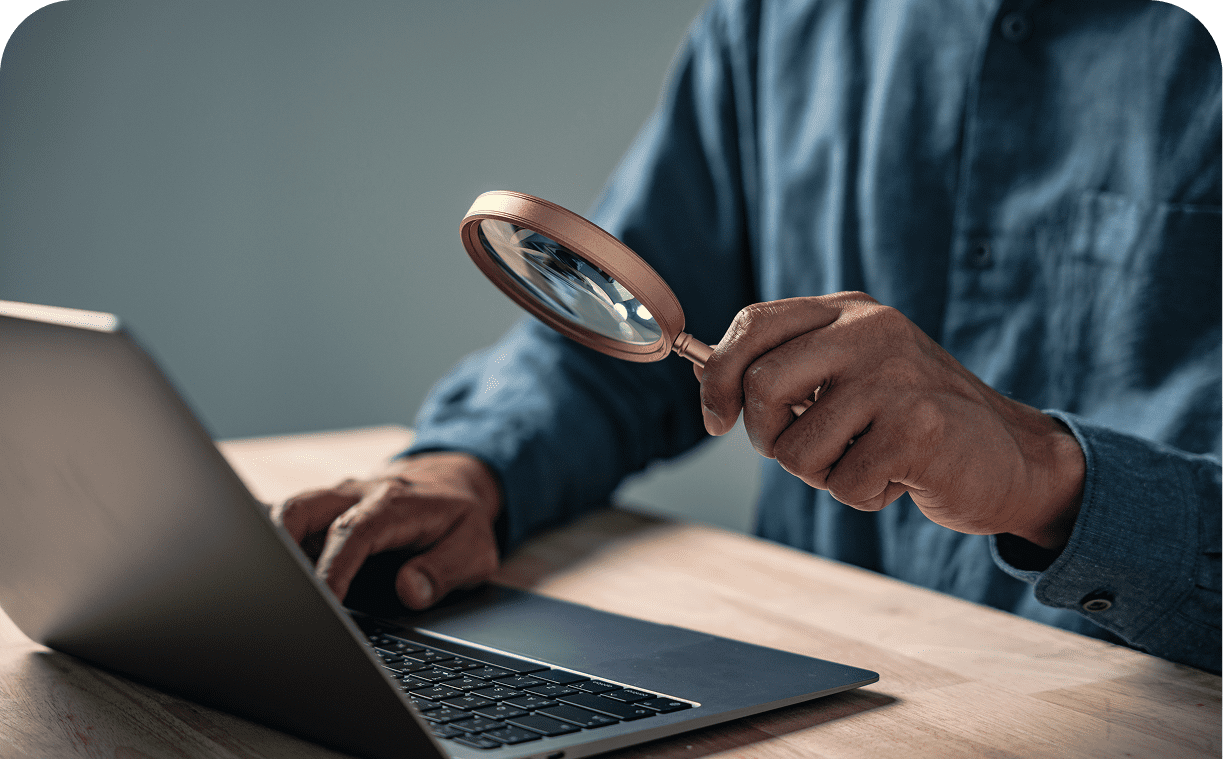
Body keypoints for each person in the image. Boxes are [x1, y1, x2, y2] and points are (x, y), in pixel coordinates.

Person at [274, 0, 1222, 674]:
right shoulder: (778, 21)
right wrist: (472, 467)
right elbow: (620, 342)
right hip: (821, 706)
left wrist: (1041, 473)